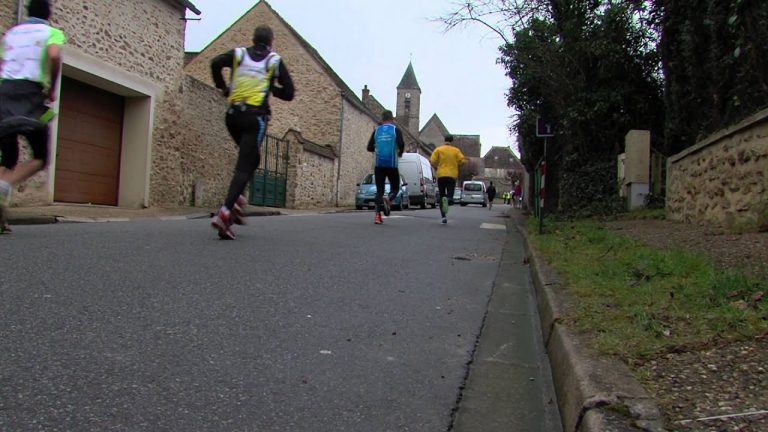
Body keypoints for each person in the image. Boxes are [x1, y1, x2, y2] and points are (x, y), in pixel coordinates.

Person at [209, 25, 294, 239]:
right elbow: (289, 93)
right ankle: (226, 210)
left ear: (253, 39)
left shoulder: (239, 54)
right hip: (254, 119)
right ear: (271, 42)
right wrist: (272, 88)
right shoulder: (273, 61)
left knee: (251, 160)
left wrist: (223, 87)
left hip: (232, 116)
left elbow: (215, 63)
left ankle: (237, 201)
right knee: (245, 166)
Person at [0, 0, 64, 234]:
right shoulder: (52, 32)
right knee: (40, 157)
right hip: (30, 95)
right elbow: (54, 55)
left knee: (8, 158)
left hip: (4, 94)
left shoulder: (12, 33)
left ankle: (0, 216)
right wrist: (52, 88)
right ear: (48, 14)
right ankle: (5, 185)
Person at [366, 110, 404, 225]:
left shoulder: (376, 131)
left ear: (382, 119)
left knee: (379, 191)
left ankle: (377, 216)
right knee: (395, 188)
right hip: (392, 164)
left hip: (379, 165)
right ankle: (389, 198)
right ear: (392, 119)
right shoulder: (396, 130)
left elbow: (369, 147)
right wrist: (400, 152)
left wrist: (377, 148)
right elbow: (401, 144)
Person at [430, 134, 465, 224]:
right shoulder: (456, 150)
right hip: (452, 175)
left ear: (444, 140)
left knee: (442, 195)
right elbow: (462, 161)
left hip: (441, 174)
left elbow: (432, 161)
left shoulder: (438, 149)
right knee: (450, 192)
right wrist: (457, 165)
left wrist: (436, 168)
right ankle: (449, 199)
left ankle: (443, 217)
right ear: (452, 141)